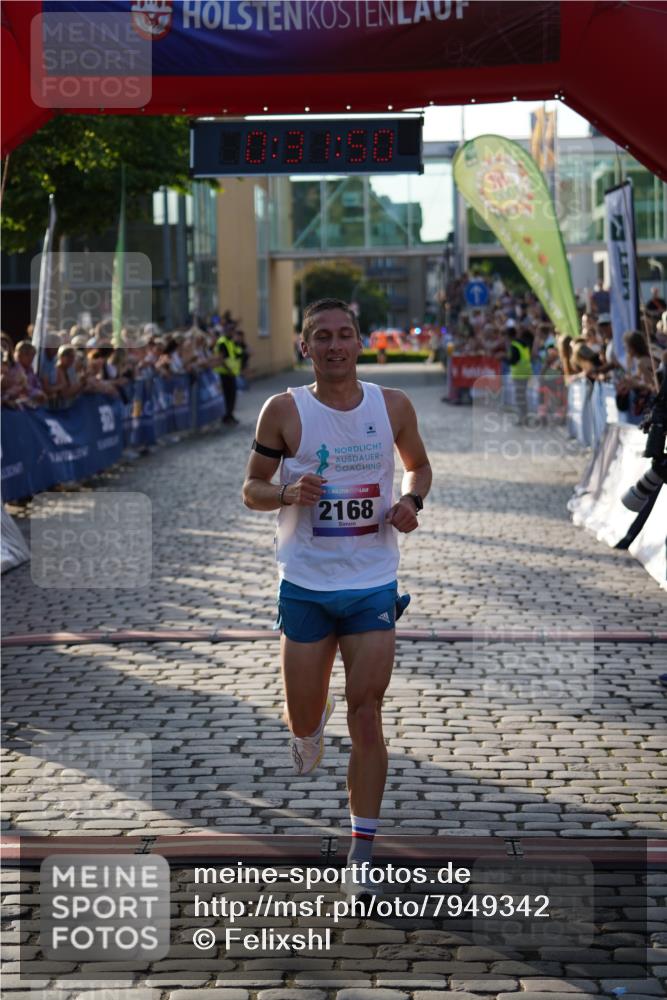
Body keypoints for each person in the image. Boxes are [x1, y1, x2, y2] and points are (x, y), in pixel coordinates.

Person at [242, 298, 432, 901]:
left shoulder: (392, 405)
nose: (334, 345)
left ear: (360, 342)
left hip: (371, 581)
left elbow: (419, 468)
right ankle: (307, 730)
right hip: (305, 583)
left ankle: (363, 851)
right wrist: (286, 493)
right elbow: (251, 489)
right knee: (305, 719)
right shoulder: (284, 411)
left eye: (344, 335)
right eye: (321, 336)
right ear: (306, 347)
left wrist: (411, 503)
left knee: (366, 711)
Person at [214, 324, 243, 424]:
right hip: (225, 373)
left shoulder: (231, 342)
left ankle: (230, 415)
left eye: (233, 331)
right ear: (226, 331)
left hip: (231, 373)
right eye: (231, 331)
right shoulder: (222, 342)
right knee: (227, 395)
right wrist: (229, 370)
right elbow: (222, 358)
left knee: (232, 395)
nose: (232, 333)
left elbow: (238, 354)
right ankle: (226, 416)